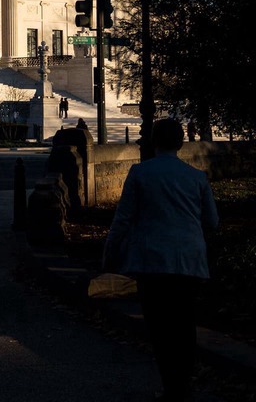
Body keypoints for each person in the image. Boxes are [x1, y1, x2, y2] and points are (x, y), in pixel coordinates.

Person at [103, 117, 219, 402]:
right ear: (181, 143)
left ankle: (171, 386)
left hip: (152, 259)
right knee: (185, 322)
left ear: (154, 141)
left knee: (159, 326)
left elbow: (123, 219)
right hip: (189, 260)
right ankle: (183, 384)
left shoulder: (140, 173)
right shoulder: (196, 177)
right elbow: (212, 222)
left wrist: (110, 252)